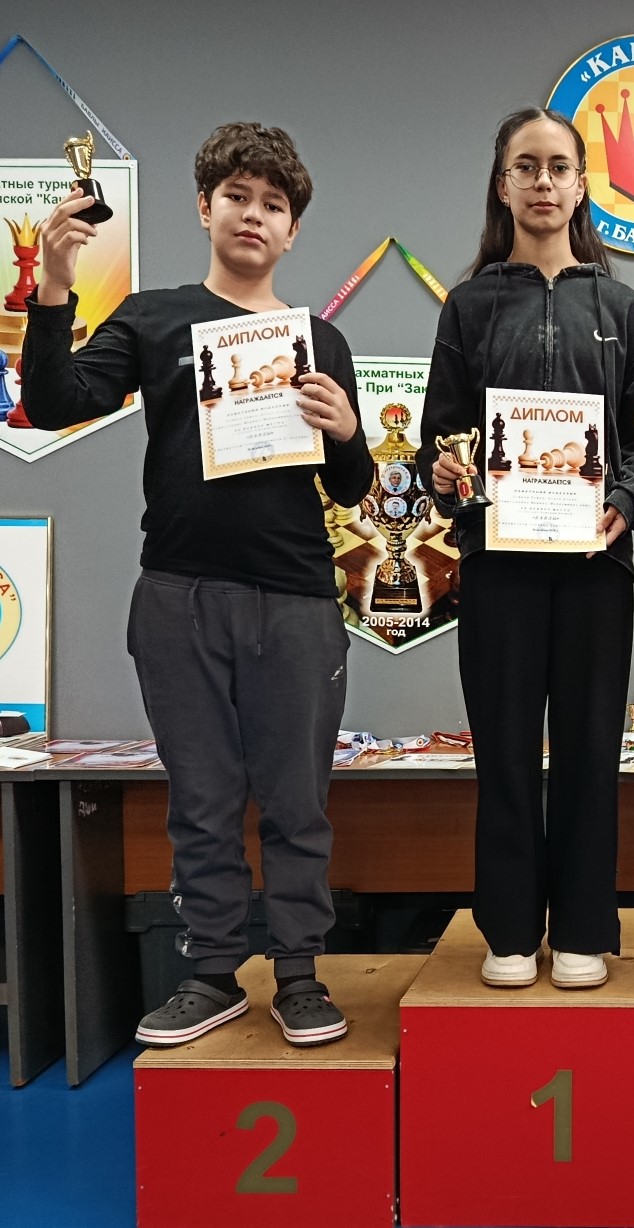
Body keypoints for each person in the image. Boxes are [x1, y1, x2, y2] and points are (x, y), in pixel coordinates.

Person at [22, 123, 373, 1047]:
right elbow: (52, 403)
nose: (254, 215)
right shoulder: (154, 317)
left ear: (292, 229)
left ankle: (298, 973)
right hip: (178, 596)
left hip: (296, 601)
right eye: (238, 197)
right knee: (202, 797)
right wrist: (54, 284)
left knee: (296, 799)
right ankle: (213, 971)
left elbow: (351, 488)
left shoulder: (319, 340)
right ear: (204, 207)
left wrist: (346, 430)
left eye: (273, 205)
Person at [421, 107, 634, 990]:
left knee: (593, 748)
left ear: (582, 184)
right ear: (503, 184)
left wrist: (626, 502)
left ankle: (585, 929)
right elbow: (441, 436)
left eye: (559, 166)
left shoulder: (621, 306)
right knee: (505, 749)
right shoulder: (468, 305)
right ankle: (511, 930)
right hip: (499, 568)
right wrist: (448, 473)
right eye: (526, 166)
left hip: (597, 568)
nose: (543, 182)